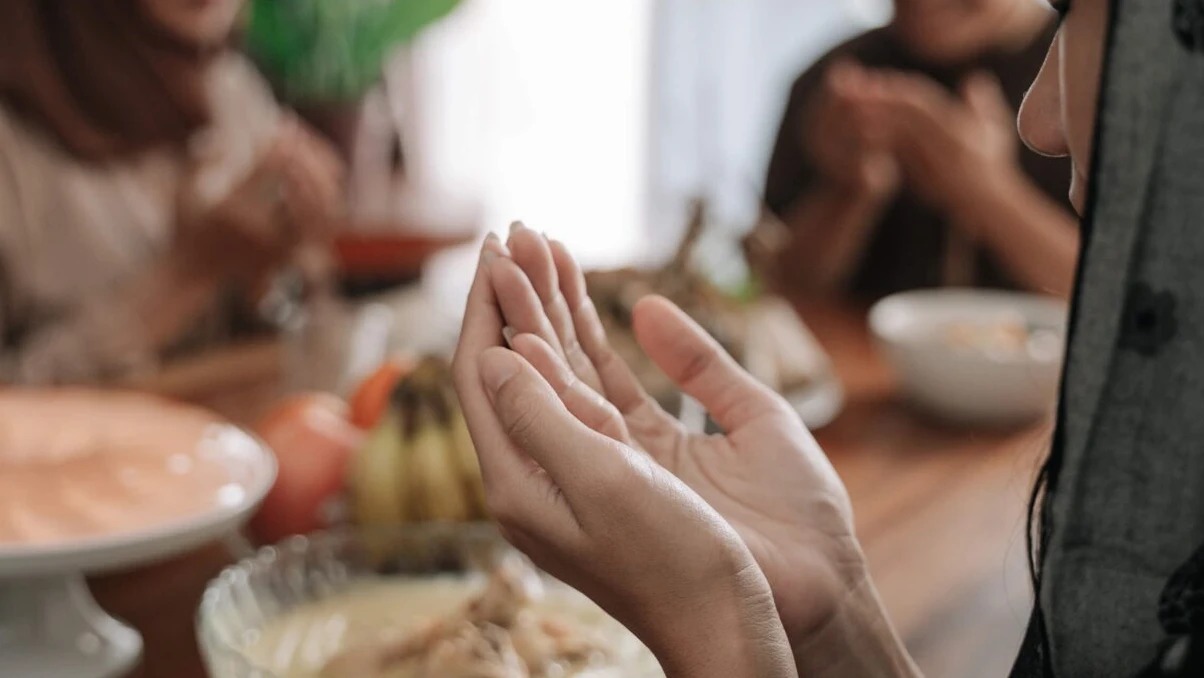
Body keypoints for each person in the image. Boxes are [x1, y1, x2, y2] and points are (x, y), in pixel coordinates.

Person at [453, 0, 1204, 675]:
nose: (1038, 120)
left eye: (1083, 12)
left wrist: (718, 620)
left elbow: (1117, 293)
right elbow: (780, 286)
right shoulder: (834, 78)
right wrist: (835, 606)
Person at [0, 0, 344, 384]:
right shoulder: (14, 144)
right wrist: (186, 276)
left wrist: (293, 266)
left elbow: (307, 363)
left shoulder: (230, 88)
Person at [762, 0, 1079, 300]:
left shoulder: (1087, 75)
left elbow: (1112, 301)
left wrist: (989, 193)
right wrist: (848, 190)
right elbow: (773, 288)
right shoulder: (835, 81)